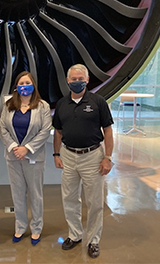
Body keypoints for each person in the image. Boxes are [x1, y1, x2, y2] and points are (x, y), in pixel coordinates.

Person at [52, 64, 114, 258]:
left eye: (80, 79)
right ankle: (75, 234)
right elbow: (58, 132)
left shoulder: (98, 101)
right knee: (69, 198)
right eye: (73, 79)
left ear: (87, 80)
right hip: (69, 156)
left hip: (93, 157)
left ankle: (93, 240)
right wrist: (56, 154)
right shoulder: (62, 104)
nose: (76, 82)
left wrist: (108, 157)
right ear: (67, 81)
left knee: (95, 201)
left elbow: (108, 131)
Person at [0, 71, 52, 246]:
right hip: (13, 157)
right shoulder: (8, 105)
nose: (24, 86)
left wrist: (27, 149)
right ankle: (20, 227)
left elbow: (45, 130)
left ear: (33, 85)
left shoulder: (42, 106)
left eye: (27, 83)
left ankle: (36, 228)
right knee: (18, 194)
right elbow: (3, 128)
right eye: (21, 83)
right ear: (16, 86)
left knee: (36, 195)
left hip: (34, 157)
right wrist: (15, 148)